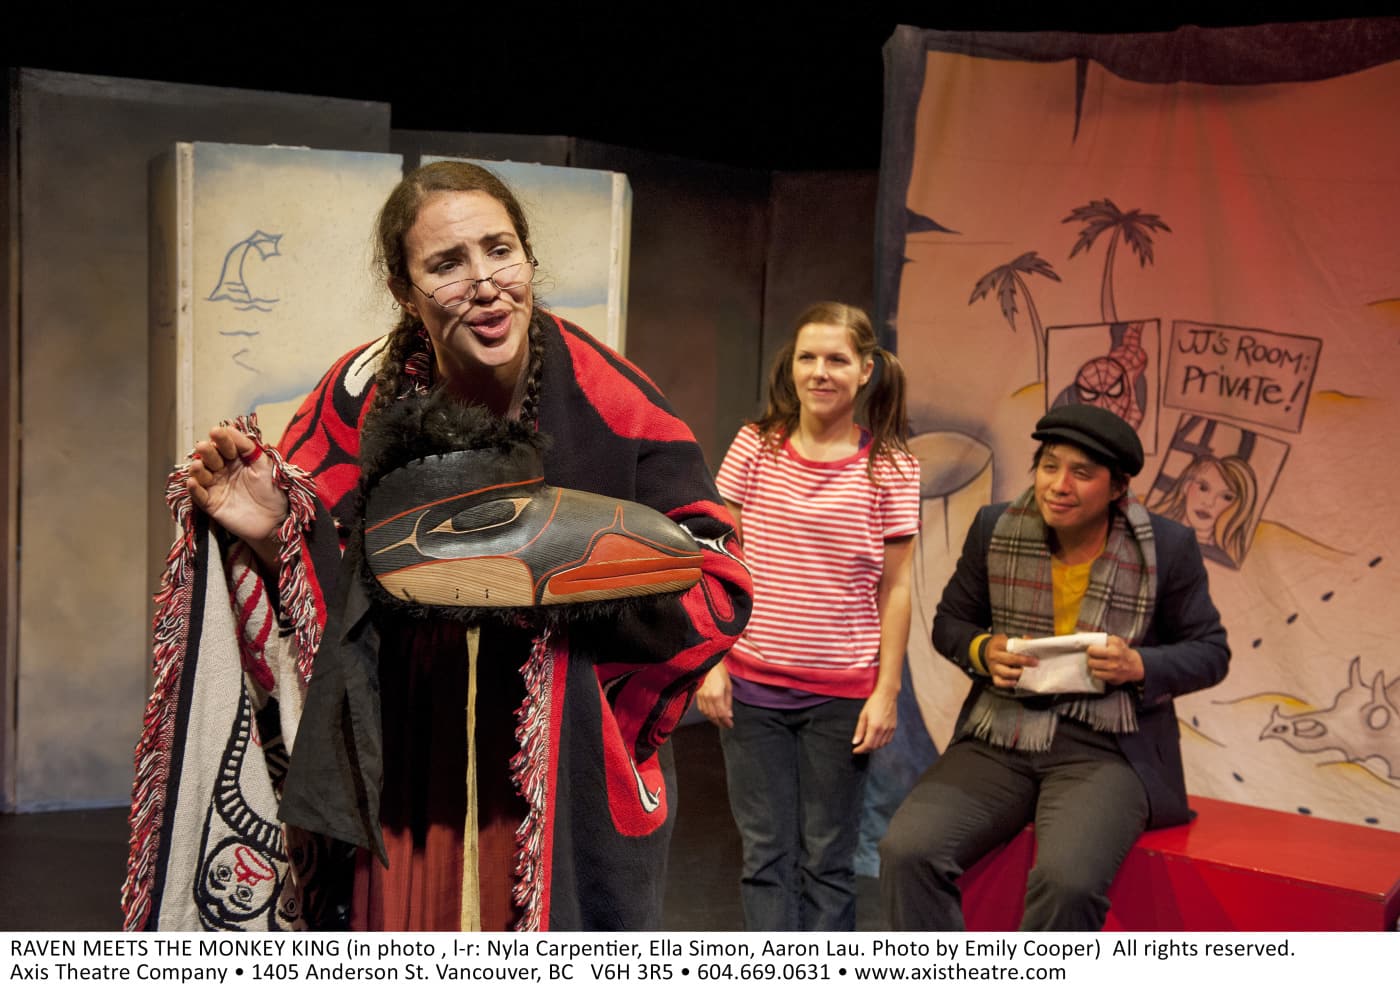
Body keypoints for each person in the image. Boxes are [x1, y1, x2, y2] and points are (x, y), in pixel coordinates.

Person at [123, 161, 752, 932]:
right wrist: (275, 525)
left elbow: (714, 572)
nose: (485, 282)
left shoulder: (609, 399)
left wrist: (561, 575)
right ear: (404, 289)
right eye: (447, 263)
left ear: (528, 257)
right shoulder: (357, 395)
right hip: (406, 767)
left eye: (500, 250)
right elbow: (333, 569)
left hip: (552, 766)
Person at [879, 404, 1229, 930]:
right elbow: (952, 623)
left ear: (1117, 488)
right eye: (1049, 466)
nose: (1058, 485)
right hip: (1002, 733)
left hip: (1108, 747)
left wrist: (1138, 664)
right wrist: (983, 651)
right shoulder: (995, 527)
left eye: (1081, 473)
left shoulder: (1167, 548)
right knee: (907, 850)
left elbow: (1211, 651)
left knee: (1067, 883)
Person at [695, 301, 920, 930]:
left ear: (866, 369)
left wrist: (887, 690)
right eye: (808, 357)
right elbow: (719, 562)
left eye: (837, 359)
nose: (821, 372)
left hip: (841, 697)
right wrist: (711, 663)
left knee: (828, 859)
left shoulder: (892, 468)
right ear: (790, 367)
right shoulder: (755, 447)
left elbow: (898, 590)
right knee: (766, 855)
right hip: (751, 687)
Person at [1150, 453, 1258, 567]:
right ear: (1186, 486)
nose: (1209, 503)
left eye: (1226, 497)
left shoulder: (1222, 561)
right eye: (1203, 488)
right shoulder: (1150, 528)